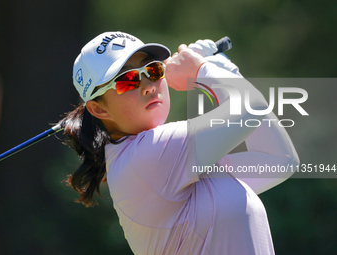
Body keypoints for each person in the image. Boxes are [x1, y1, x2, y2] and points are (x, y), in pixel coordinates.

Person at [60, 31, 299, 255]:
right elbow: (251, 108)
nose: (147, 85)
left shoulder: (163, 160)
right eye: (128, 81)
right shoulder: (147, 155)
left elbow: (279, 161)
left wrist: (224, 71)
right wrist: (203, 70)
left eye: (153, 70)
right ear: (99, 108)